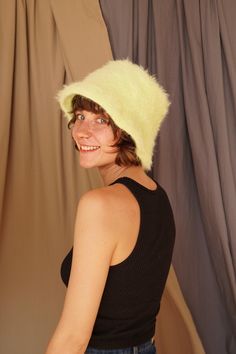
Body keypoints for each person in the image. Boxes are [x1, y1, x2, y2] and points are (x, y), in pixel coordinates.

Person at [45, 60, 176, 354]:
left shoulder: (99, 205)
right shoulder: (159, 198)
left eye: (102, 120)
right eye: (79, 116)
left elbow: (72, 339)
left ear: (130, 130)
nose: (82, 131)